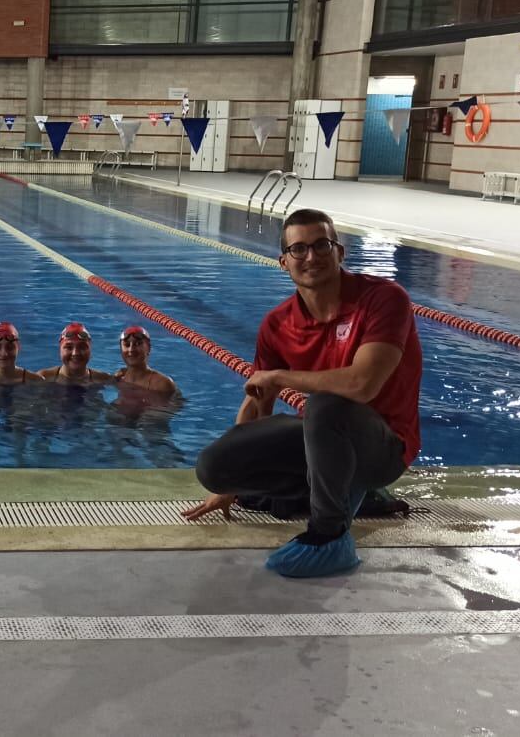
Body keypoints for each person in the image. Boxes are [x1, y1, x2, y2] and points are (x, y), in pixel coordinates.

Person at [184, 208, 422, 578]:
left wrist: (281, 376)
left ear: (340, 252)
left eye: (321, 245)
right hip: (324, 442)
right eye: (299, 250)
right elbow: (257, 399)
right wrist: (231, 484)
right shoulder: (278, 324)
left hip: (384, 446)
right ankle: (345, 494)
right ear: (284, 262)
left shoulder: (384, 299)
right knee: (214, 467)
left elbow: (363, 384)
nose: (311, 257)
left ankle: (329, 535)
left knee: (327, 405)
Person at [36, 322, 112, 385]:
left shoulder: (104, 379)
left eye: (82, 347)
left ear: (90, 350)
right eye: (69, 347)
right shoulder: (43, 378)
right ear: (60, 349)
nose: (75, 353)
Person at [113, 326, 177, 397]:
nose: (131, 349)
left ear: (148, 348)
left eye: (138, 344)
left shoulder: (161, 384)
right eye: (127, 345)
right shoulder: (120, 377)